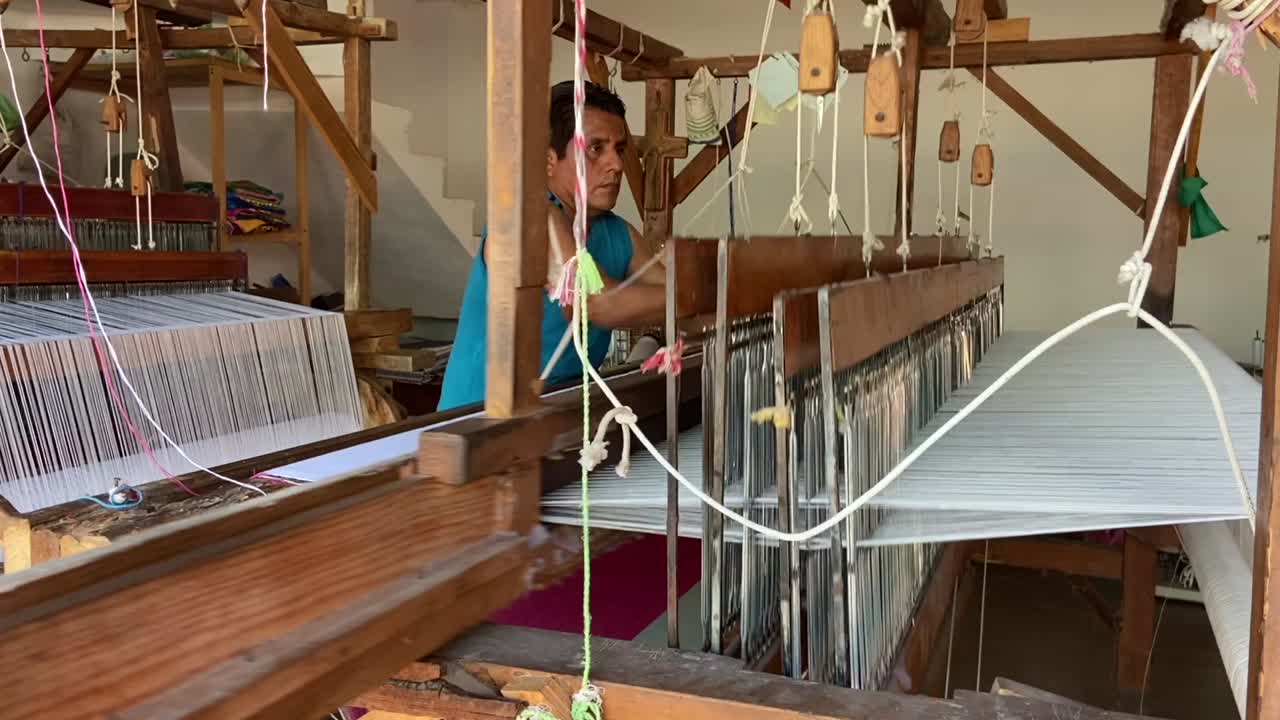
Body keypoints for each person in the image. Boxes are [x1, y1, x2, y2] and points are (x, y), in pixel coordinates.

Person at [438, 80, 666, 411]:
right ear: (548, 161)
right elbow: (595, 304)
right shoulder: (529, 222)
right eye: (595, 148)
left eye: (619, 149)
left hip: (555, 417)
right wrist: (716, 294)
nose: (616, 165)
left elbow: (681, 299)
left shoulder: (618, 234)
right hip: (477, 424)